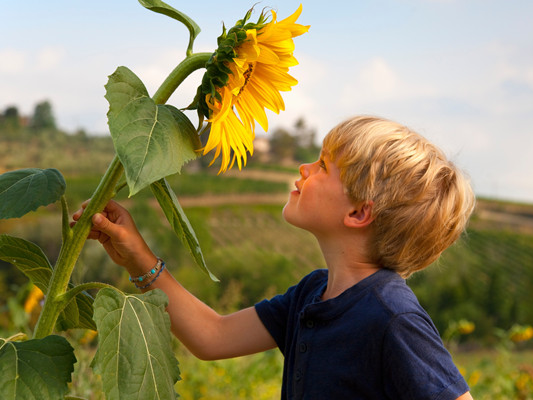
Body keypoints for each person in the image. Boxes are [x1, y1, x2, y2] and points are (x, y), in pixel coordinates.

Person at [73, 115, 476, 399]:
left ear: (358, 213)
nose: (303, 168)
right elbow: (212, 336)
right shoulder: (312, 294)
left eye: (322, 165)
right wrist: (135, 256)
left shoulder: (392, 318)